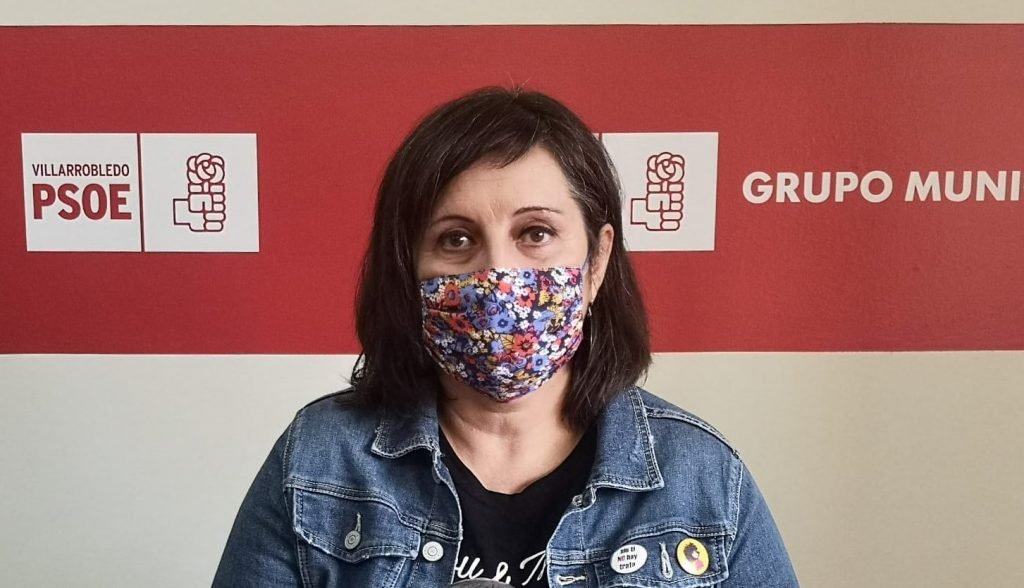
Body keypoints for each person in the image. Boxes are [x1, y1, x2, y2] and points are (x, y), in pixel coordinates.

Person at [213, 86, 798, 587]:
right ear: (408, 268)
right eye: (456, 239)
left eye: (535, 233)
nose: (497, 277)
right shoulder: (319, 460)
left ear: (595, 263)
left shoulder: (702, 478)